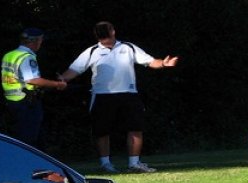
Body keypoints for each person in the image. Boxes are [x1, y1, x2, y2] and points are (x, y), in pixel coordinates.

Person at [60, 21, 178, 173]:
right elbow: (74, 70)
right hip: (102, 96)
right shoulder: (92, 51)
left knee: (136, 128)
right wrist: (60, 81)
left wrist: (163, 63)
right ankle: (105, 164)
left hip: (129, 94)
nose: (104, 34)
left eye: (106, 31)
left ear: (113, 31)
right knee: (102, 131)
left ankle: (134, 164)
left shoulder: (127, 47)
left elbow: (150, 61)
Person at [1, 27, 67, 147]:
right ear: (35, 41)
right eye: (40, 40)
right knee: (29, 140)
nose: (40, 44)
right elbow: (32, 80)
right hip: (27, 103)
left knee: (17, 139)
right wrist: (58, 84)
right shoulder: (27, 57)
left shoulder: (9, 55)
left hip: (11, 103)